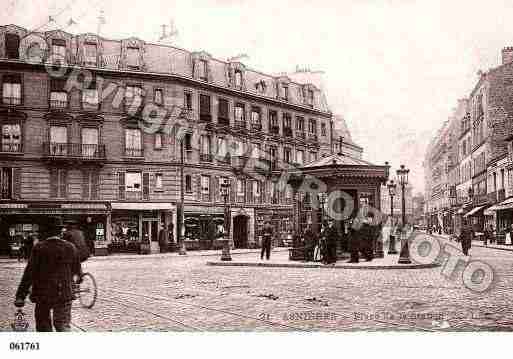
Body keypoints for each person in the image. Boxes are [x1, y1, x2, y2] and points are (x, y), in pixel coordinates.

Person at [14, 217, 82, 332]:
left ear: (45, 232)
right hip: (64, 292)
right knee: (63, 325)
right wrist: (75, 281)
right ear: (60, 232)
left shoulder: (39, 248)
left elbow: (29, 274)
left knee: (43, 325)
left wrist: (20, 296)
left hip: (43, 293)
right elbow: (77, 270)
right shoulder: (70, 247)